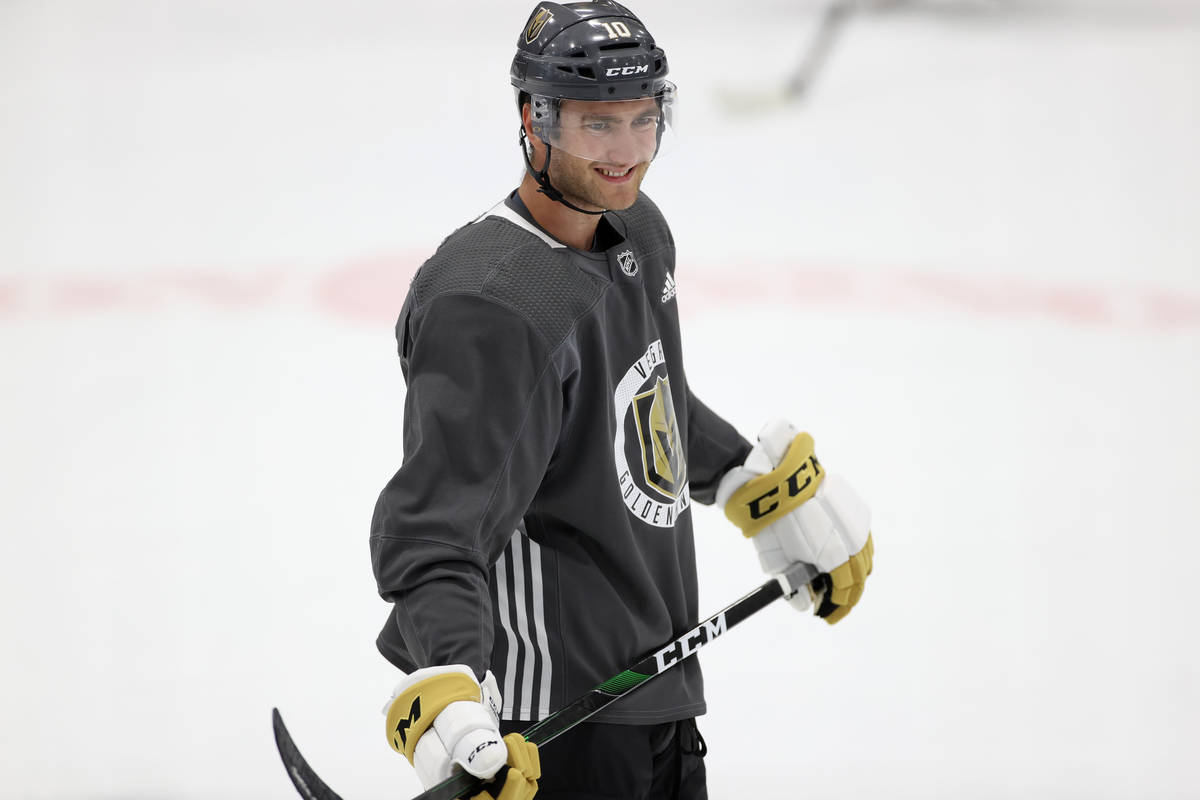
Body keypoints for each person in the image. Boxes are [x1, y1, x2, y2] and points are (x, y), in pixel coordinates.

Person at [369, 3, 875, 798]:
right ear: (533, 121)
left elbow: (642, 401)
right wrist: (450, 690)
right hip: (553, 735)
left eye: (646, 120)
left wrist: (750, 481)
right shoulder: (490, 304)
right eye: (598, 125)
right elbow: (435, 533)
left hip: (658, 699)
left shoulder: (636, 230)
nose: (628, 153)